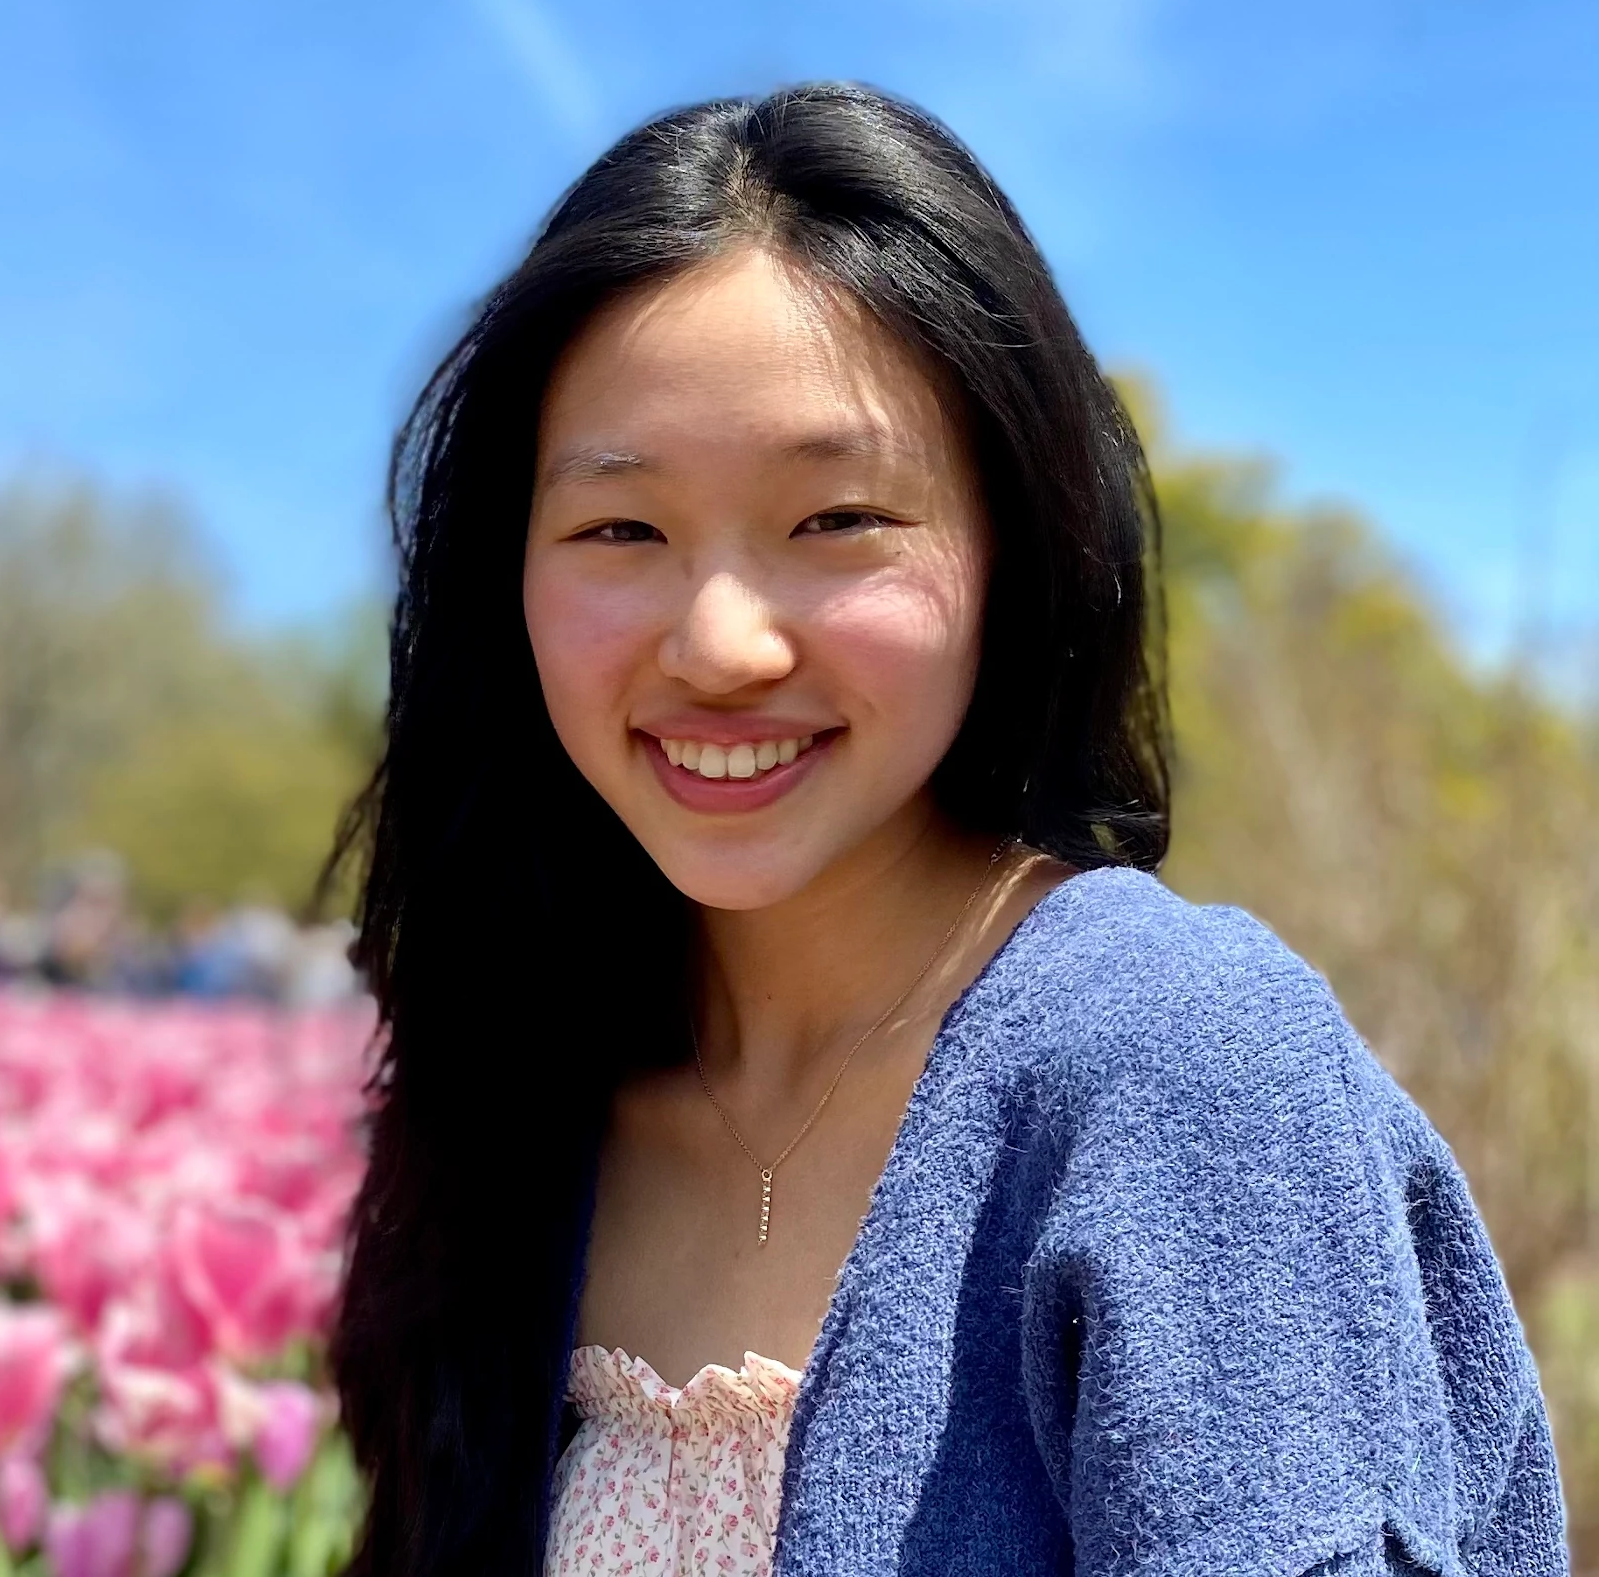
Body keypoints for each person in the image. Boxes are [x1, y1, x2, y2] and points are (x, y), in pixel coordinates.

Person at [329, 85, 1567, 1576]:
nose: (721, 641)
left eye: (837, 519)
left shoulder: (1180, 1066)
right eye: (621, 530)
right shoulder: (525, 1089)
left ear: (1012, 548)